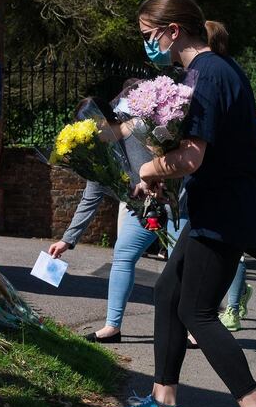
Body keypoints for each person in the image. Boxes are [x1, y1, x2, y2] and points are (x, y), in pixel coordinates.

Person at [103, 0, 256, 407]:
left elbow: (194, 156)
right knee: (168, 294)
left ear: (172, 30)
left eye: (149, 35)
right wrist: (166, 172)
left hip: (224, 213)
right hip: (219, 208)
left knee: (197, 310)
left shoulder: (205, 77)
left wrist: (146, 169)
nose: (147, 44)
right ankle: (163, 403)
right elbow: (201, 154)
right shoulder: (212, 71)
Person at [47, 98, 187, 343]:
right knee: (123, 255)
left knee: (181, 264)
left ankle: (192, 327)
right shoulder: (104, 155)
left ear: (105, 120)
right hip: (144, 210)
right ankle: (112, 326)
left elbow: (179, 159)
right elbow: (90, 198)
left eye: (94, 130)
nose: (93, 138)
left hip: (179, 206)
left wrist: (162, 184)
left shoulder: (143, 129)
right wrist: (67, 240)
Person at [219, 113, 256, 331]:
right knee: (223, 255)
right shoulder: (215, 116)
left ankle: (232, 310)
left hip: (245, 198)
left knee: (237, 255)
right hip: (216, 196)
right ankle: (242, 291)